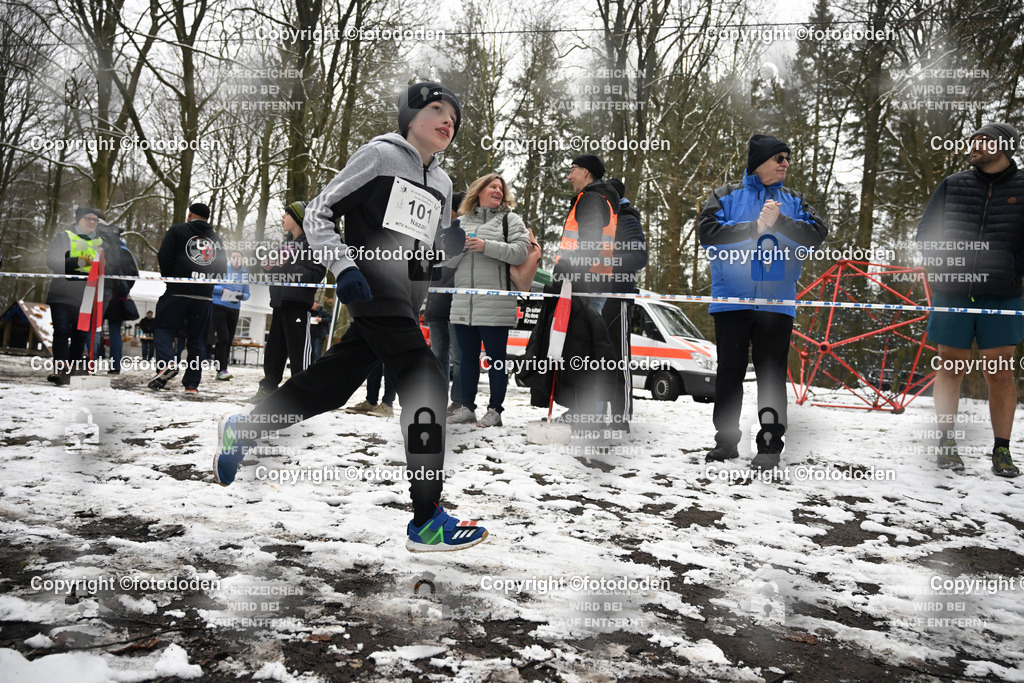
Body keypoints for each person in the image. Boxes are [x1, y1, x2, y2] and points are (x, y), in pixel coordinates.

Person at [215, 81, 488, 552]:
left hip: (403, 301)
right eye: (437, 110)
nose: (448, 121)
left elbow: (424, 257)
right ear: (409, 116)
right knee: (426, 384)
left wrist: (446, 254)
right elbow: (320, 213)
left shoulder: (443, 184)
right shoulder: (379, 156)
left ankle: (246, 429)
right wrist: (342, 266)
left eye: (455, 117)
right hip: (369, 288)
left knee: (330, 386)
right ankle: (426, 520)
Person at [698, 134, 827, 470]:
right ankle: (725, 443)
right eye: (779, 157)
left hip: (776, 304)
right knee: (729, 373)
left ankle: (769, 446)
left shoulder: (794, 200)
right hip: (730, 301)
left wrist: (780, 222)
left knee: (771, 375)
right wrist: (754, 227)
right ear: (759, 161)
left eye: (788, 157)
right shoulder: (725, 196)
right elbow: (707, 233)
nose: (786, 163)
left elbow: (817, 234)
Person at [916, 122, 1024, 477]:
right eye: (973, 139)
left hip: (1003, 295)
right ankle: (947, 443)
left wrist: (1011, 270)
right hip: (952, 291)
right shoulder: (953, 184)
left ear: (1004, 147)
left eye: (984, 140)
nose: (974, 145)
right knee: (949, 364)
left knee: (1000, 372)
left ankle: (1002, 451)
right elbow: (926, 233)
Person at [447, 174, 530, 427]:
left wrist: (486, 246)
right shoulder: (459, 222)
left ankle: (495, 410)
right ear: (479, 190)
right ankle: (467, 407)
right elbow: (446, 264)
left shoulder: (510, 220)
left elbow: (520, 253)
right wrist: (457, 249)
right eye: (492, 186)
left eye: (501, 188)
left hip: (495, 303)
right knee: (467, 358)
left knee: (496, 359)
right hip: (464, 303)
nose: (498, 191)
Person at [550, 154, 620, 421]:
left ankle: (584, 412)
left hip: (585, 282)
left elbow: (589, 239)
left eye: (573, 170)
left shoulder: (591, 198)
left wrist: (571, 267)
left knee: (583, 348)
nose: (569, 176)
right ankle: (589, 411)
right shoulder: (603, 200)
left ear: (586, 173)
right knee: (591, 347)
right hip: (596, 280)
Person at [247, 202, 326, 403]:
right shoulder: (286, 244)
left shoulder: (313, 244)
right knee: (274, 352)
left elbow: (315, 275)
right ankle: (267, 391)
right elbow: (282, 273)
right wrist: (270, 268)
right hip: (279, 304)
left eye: (287, 214)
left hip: (299, 305)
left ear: (298, 218)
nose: (283, 217)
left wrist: (287, 265)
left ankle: (303, 395)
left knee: (299, 353)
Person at [148, 202, 227, 392]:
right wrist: (208, 283)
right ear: (207, 219)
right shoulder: (216, 239)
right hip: (204, 297)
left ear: (190, 214)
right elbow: (222, 270)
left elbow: (164, 255)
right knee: (198, 340)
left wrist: (171, 278)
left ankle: (167, 363)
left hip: (177, 292)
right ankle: (192, 384)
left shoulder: (177, 230)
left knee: (163, 328)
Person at [45, 206, 123, 385]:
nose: (91, 222)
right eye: (88, 219)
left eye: (95, 220)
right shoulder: (63, 237)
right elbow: (51, 260)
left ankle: (71, 370)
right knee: (62, 331)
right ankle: (60, 369)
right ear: (78, 220)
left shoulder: (103, 243)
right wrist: (80, 263)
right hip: (62, 293)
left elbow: (111, 266)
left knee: (80, 334)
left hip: (87, 295)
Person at [604, 178, 649, 433]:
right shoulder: (600, 219)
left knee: (618, 357)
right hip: (594, 295)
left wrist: (606, 260)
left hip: (618, 297)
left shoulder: (626, 218)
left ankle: (620, 416)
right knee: (595, 357)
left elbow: (639, 256)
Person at [424, 191, 466, 415]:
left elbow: (460, 268)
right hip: (436, 306)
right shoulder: (436, 232)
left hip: (457, 305)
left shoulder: (462, 233)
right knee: (438, 355)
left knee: (458, 357)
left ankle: (458, 402)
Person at [104, 227, 140, 374]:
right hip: (119, 296)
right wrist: (125, 291)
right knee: (115, 332)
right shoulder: (127, 253)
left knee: (93, 329)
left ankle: (88, 363)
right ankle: (115, 366)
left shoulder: (103, 249)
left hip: (103, 292)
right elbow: (134, 275)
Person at [212, 250, 251, 380]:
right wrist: (222, 289)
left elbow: (247, 294)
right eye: (233, 257)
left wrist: (241, 296)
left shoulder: (245, 274)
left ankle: (223, 369)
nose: (236, 260)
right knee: (223, 337)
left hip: (234, 308)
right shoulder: (222, 269)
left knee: (228, 340)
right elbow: (211, 286)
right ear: (230, 259)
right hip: (219, 306)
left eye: (238, 258)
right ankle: (220, 369)